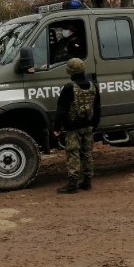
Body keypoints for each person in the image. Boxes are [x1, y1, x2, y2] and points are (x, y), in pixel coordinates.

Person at [54, 57, 101, 194]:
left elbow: (61, 110)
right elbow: (97, 108)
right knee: (87, 153)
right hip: (88, 126)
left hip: (73, 128)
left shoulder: (69, 88)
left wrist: (57, 127)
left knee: (73, 153)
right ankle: (87, 181)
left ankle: (73, 184)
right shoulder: (93, 86)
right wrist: (94, 125)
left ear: (70, 71)